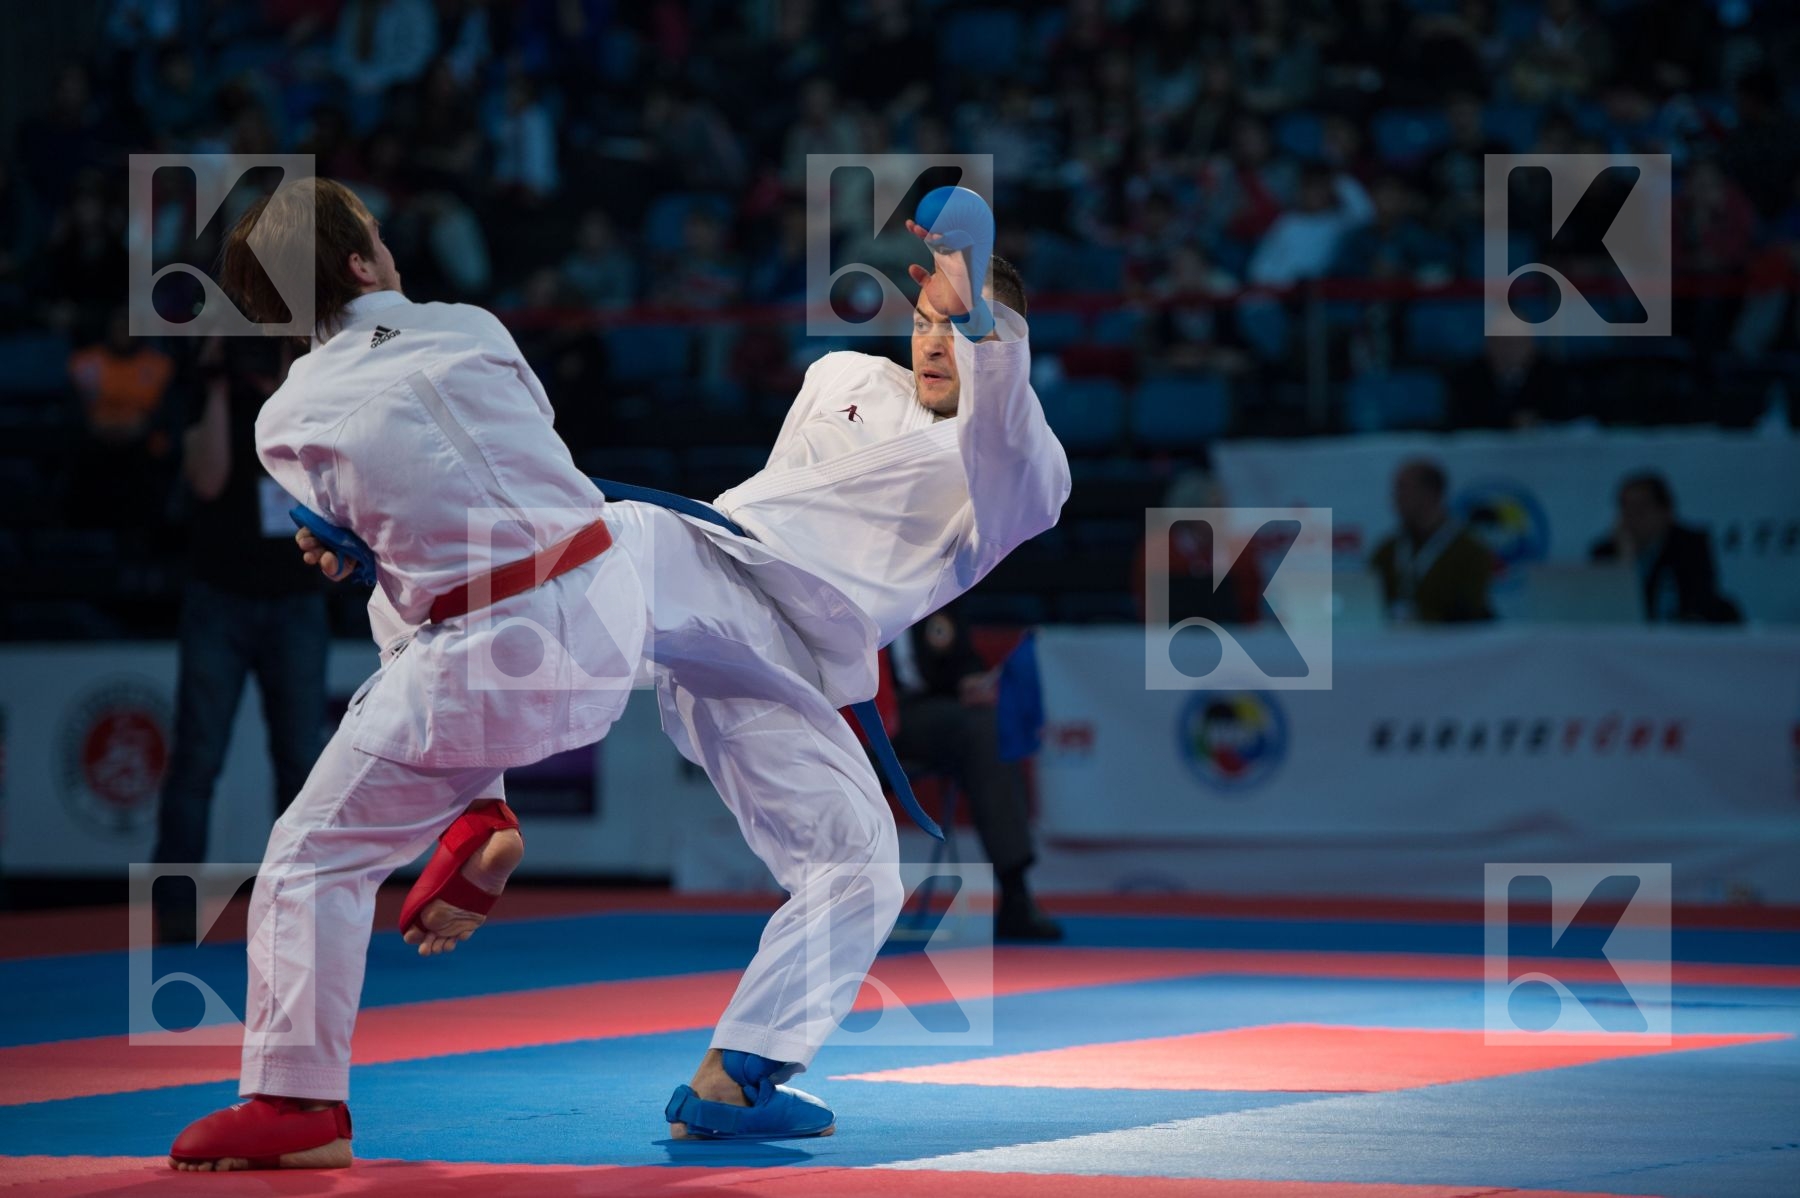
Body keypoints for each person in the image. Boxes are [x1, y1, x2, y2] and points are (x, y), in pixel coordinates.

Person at [150, 335, 328, 944]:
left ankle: (300, 912)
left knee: (302, 764)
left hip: (296, 603)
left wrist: (286, 377)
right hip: (219, 601)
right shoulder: (203, 388)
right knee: (197, 757)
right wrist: (218, 382)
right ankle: (175, 909)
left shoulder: (308, 390)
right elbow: (207, 480)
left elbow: (315, 475)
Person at [887, 604, 1061, 941]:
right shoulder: (837, 583)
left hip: (918, 717)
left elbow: (961, 654)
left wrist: (971, 679)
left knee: (985, 729)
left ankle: (1015, 894)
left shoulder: (927, 584)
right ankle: (814, 900)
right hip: (848, 716)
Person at [1589, 472, 1741, 624]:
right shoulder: (1605, 551)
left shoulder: (1690, 545)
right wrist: (1625, 561)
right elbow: (1605, 610)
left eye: (1640, 509)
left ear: (1666, 512)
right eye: (1625, 508)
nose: (1631, 517)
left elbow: (1698, 600)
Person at [1369, 458, 1494, 624]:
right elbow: (1367, 605)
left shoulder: (1471, 551)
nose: (1396, 497)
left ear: (1430, 493)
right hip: (1392, 645)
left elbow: (1471, 612)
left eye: (1403, 488)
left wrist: (1422, 619)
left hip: (1450, 646)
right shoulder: (1386, 551)